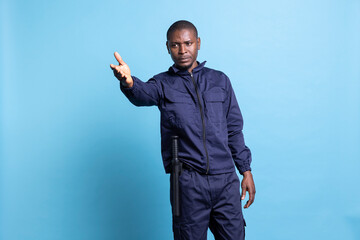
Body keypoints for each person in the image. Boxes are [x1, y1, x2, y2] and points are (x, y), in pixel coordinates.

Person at [110, 20, 256, 240]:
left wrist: (245, 170)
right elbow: (142, 94)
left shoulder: (220, 81)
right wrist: (129, 82)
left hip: (225, 180)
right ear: (167, 47)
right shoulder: (162, 84)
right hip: (188, 183)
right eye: (175, 45)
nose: (182, 50)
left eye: (188, 43)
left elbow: (234, 129)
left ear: (198, 43)